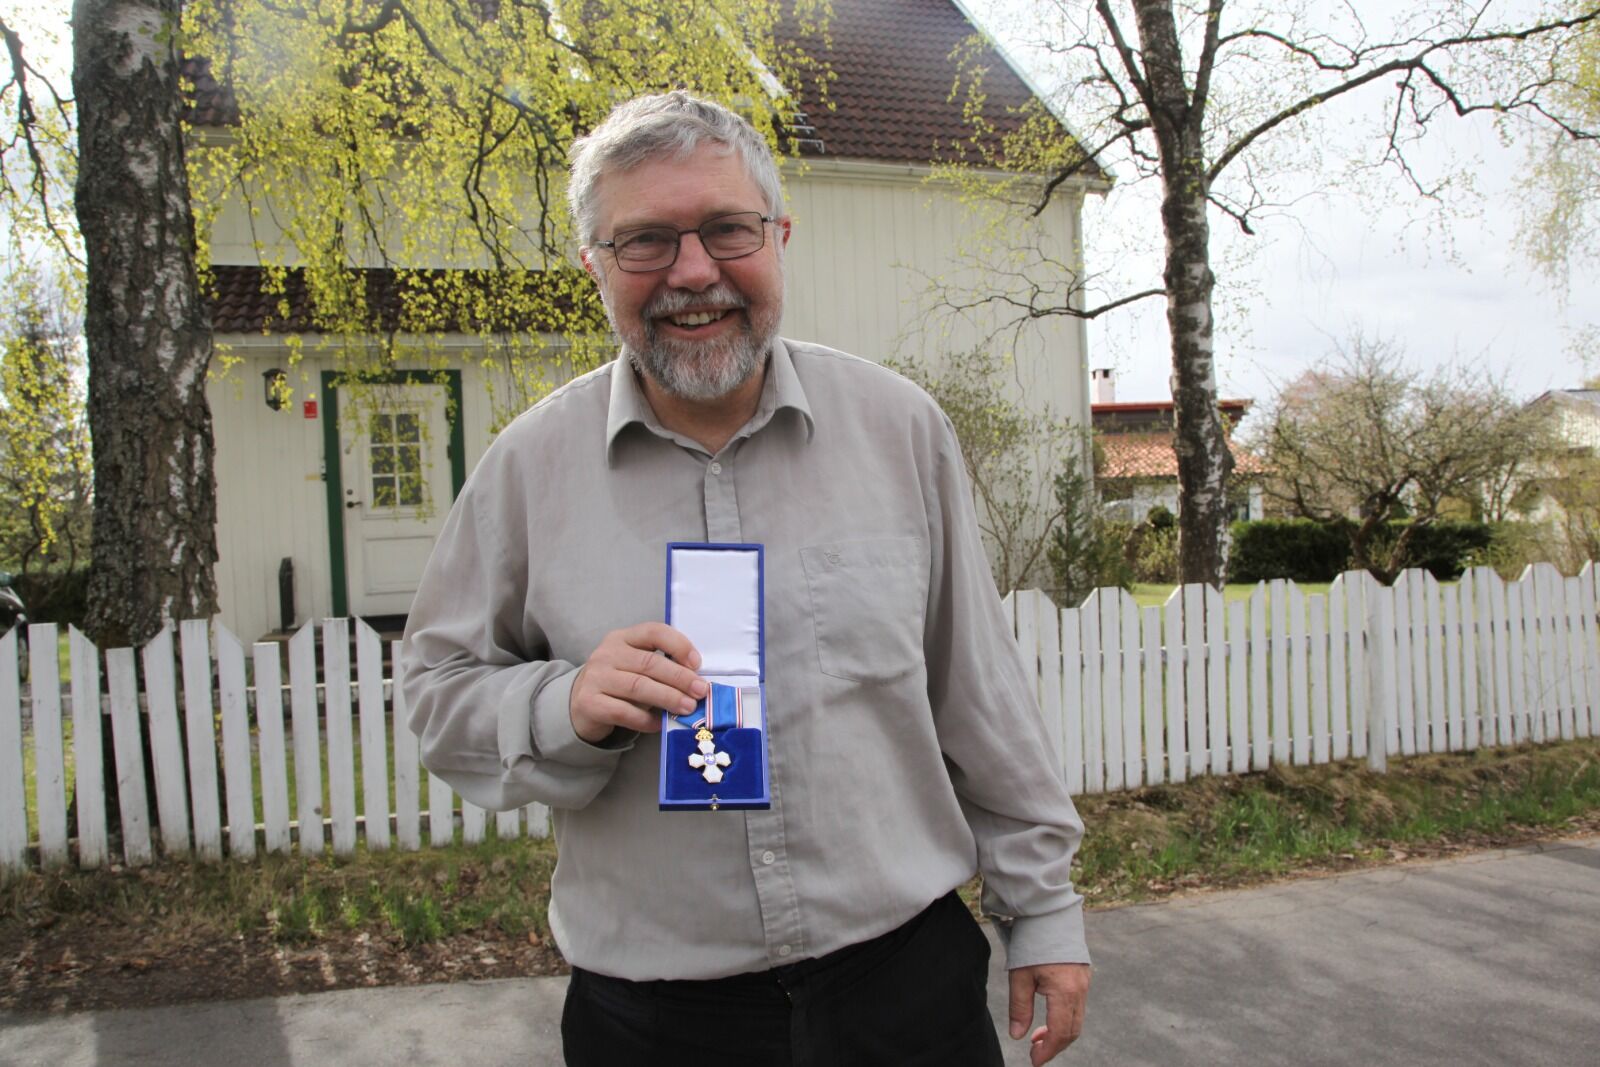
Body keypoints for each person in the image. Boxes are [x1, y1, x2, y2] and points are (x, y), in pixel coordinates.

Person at [401, 91, 1091, 1066]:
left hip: (906, 994)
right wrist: (564, 703)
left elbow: (977, 692)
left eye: (727, 229)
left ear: (779, 236)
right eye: (643, 241)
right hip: (654, 1022)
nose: (692, 272)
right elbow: (435, 695)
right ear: (593, 263)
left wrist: (1044, 911)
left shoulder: (899, 431)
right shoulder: (526, 470)